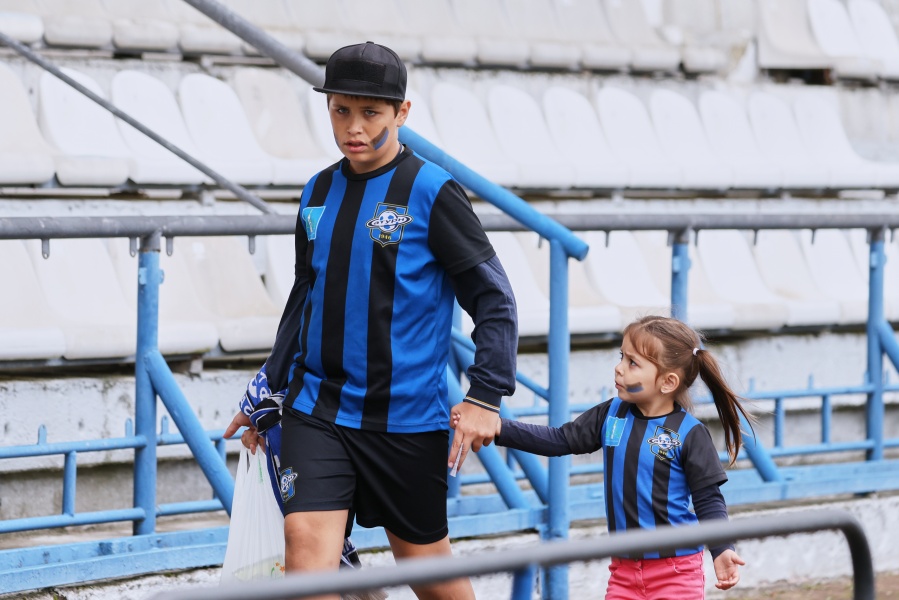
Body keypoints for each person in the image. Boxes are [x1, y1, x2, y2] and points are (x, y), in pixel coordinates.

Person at [225, 40, 518, 600]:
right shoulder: (317, 190)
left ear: (401, 113)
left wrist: (486, 395)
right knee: (305, 557)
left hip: (405, 419)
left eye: (370, 112)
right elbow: (305, 295)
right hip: (317, 410)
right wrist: (268, 386)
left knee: (426, 570)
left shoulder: (433, 192)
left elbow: (495, 299)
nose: (353, 127)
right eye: (340, 110)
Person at [485, 316, 749, 599]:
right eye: (622, 356)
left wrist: (722, 548)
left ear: (668, 381)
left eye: (632, 363)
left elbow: (708, 499)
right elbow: (560, 439)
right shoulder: (611, 414)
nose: (619, 367)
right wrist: (498, 427)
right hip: (623, 572)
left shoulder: (689, 433)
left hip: (676, 570)